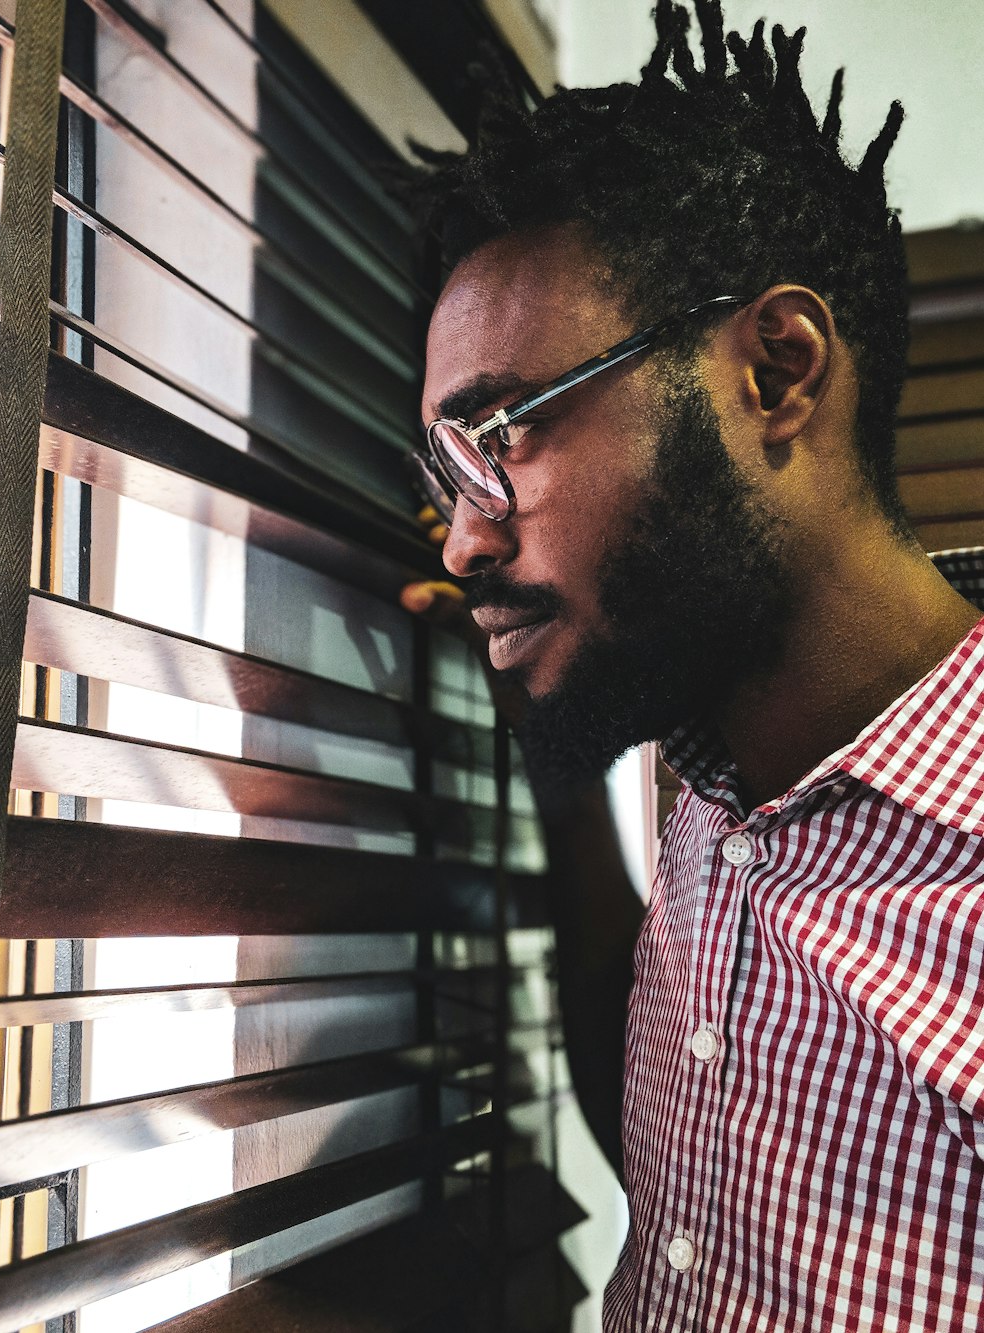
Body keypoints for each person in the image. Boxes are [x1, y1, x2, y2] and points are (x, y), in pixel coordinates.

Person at [399, 2, 984, 1328]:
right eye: (445, 471)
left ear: (776, 373)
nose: (466, 534)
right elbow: (688, 1168)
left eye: (503, 432)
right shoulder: (721, 784)